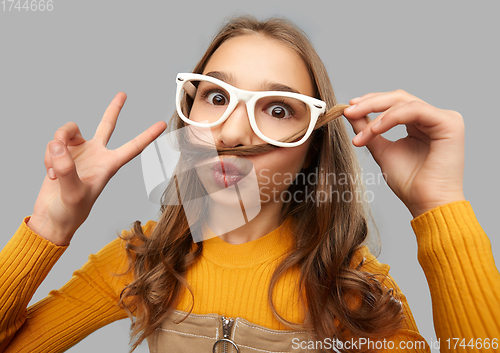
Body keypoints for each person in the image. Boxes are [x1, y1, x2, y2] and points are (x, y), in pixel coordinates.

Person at [1, 15, 499, 353]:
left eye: (278, 109)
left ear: (312, 144)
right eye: (216, 97)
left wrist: (440, 204)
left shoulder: (351, 289)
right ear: (188, 117)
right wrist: (49, 225)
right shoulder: (143, 262)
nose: (234, 133)